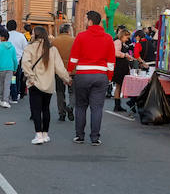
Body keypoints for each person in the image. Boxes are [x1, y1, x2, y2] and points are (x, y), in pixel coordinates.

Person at [68, 10, 116, 145]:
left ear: (90, 21)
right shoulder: (107, 38)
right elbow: (111, 61)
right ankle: (95, 138)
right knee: (97, 108)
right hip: (101, 75)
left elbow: (73, 58)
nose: (84, 21)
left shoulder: (81, 36)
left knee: (81, 106)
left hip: (82, 75)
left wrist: (69, 71)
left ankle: (80, 136)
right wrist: (109, 77)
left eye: (85, 19)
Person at [21, 26, 71, 145]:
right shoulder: (52, 49)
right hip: (48, 84)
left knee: (36, 110)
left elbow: (25, 64)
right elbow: (59, 67)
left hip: (35, 84)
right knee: (45, 109)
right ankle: (45, 134)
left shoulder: (30, 48)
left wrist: (31, 77)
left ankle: (38, 135)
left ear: (36, 35)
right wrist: (67, 78)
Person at [51, 23, 76, 122]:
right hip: (72, 70)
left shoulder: (54, 41)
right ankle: (70, 106)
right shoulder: (74, 41)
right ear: (69, 31)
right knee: (73, 91)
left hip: (58, 70)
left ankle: (61, 113)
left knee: (60, 92)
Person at [0, 30, 17, 109]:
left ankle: (2, 99)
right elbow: (14, 59)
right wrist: (15, 68)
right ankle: (6, 100)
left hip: (1, 68)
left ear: (2, 37)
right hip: (10, 68)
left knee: (1, 84)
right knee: (7, 85)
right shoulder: (12, 47)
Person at [6, 19, 28, 102]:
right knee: (16, 78)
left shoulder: (6, 35)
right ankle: (16, 93)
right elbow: (25, 49)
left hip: (7, 61)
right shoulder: (21, 36)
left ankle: (11, 94)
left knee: (9, 79)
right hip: (18, 61)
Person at [112, 27, 133, 112]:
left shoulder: (121, 42)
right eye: (126, 37)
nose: (127, 39)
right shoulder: (118, 42)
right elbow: (115, 52)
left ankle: (118, 105)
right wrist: (125, 55)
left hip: (121, 67)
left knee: (119, 86)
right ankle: (117, 106)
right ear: (123, 35)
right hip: (119, 67)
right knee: (118, 86)